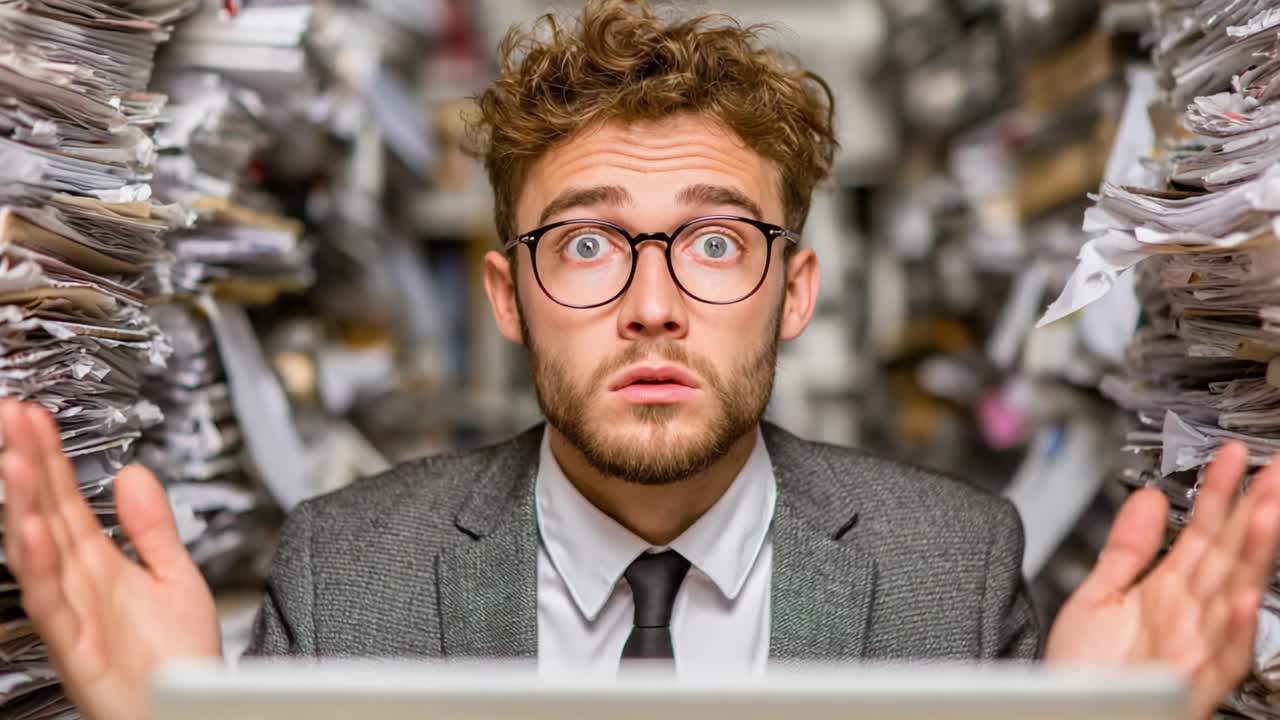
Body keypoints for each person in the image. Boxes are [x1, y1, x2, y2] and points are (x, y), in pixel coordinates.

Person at [6, 1, 1280, 719]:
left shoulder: (951, 563)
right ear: (507, 296)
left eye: (717, 245)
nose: (654, 305)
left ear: (794, 293)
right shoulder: (350, 566)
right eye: (587, 246)